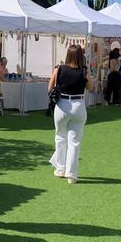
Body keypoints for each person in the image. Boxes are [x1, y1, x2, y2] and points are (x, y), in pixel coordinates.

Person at [48, 45, 94, 184]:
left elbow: (50, 87)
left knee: (60, 137)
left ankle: (60, 168)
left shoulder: (59, 69)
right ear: (81, 56)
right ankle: (72, 175)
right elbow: (90, 88)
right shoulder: (84, 71)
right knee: (74, 142)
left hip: (62, 104)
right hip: (78, 105)